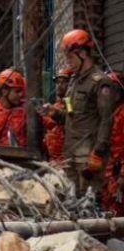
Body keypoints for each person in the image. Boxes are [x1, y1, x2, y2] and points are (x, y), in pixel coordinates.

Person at [52, 29, 118, 197]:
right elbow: (70, 115)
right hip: (70, 155)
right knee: (70, 204)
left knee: (88, 207)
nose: (69, 62)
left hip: (88, 158)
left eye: (70, 57)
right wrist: (53, 113)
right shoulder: (74, 82)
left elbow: (106, 120)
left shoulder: (100, 81)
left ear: (83, 53)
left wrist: (98, 152)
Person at [102, 71, 124, 215]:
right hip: (111, 172)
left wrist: (122, 176)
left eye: (109, 89)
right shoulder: (112, 113)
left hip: (119, 174)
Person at [41, 68, 72, 164]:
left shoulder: (70, 103)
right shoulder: (55, 105)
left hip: (66, 159)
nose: (59, 86)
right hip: (51, 159)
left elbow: (70, 118)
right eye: (58, 82)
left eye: (63, 82)